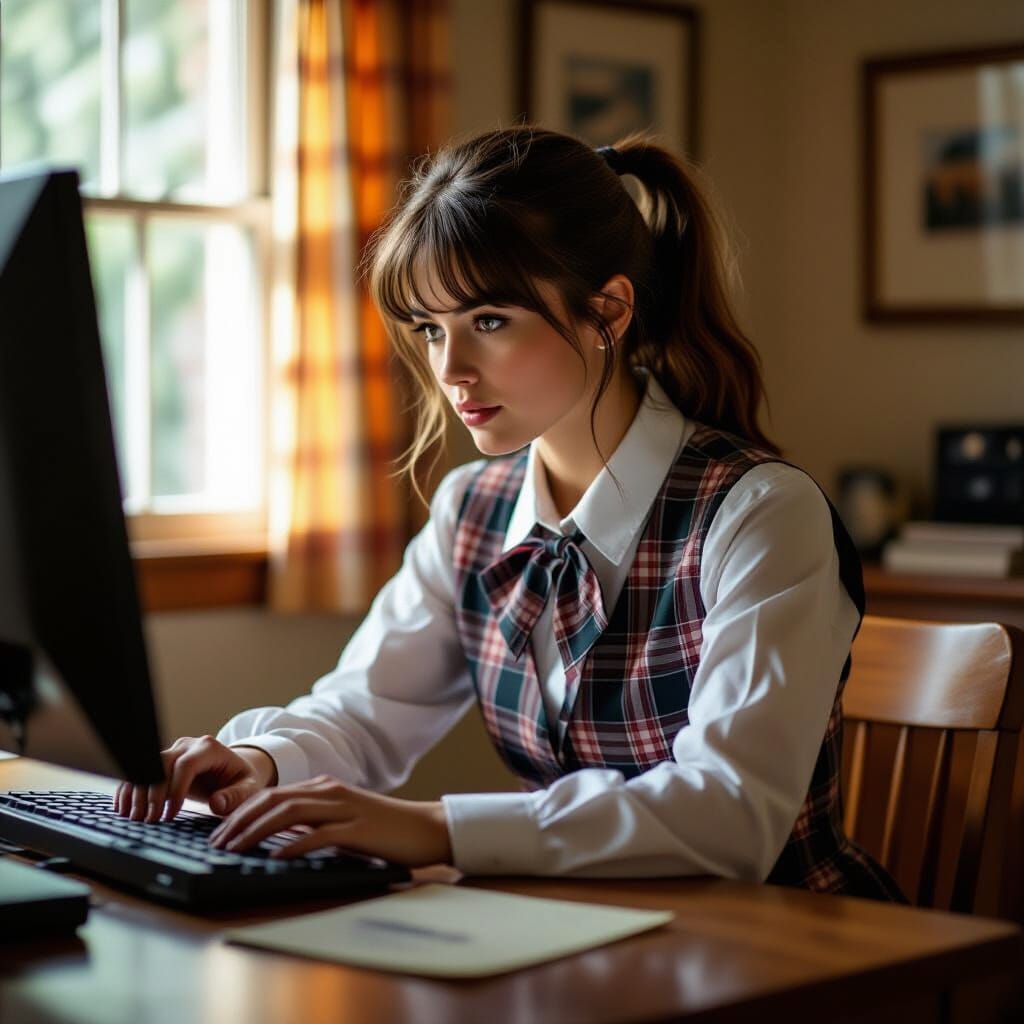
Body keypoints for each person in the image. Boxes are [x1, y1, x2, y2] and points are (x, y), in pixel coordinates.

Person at [114, 125, 905, 900]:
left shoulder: (761, 514)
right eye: (430, 328)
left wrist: (437, 828)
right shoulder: (473, 510)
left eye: (488, 321)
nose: (450, 369)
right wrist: (264, 761)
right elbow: (367, 710)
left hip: (796, 951)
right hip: (581, 939)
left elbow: (732, 814)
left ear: (609, 312)